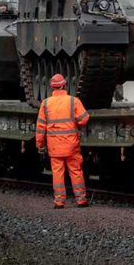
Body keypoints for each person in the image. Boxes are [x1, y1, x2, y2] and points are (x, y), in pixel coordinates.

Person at [35, 74, 91, 209]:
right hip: (71, 145)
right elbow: (84, 118)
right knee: (76, 171)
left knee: (57, 173)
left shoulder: (46, 103)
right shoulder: (73, 101)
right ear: (65, 85)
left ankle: (59, 202)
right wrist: (76, 124)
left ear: (51, 87)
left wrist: (40, 144)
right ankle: (81, 200)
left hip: (55, 147)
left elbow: (40, 127)